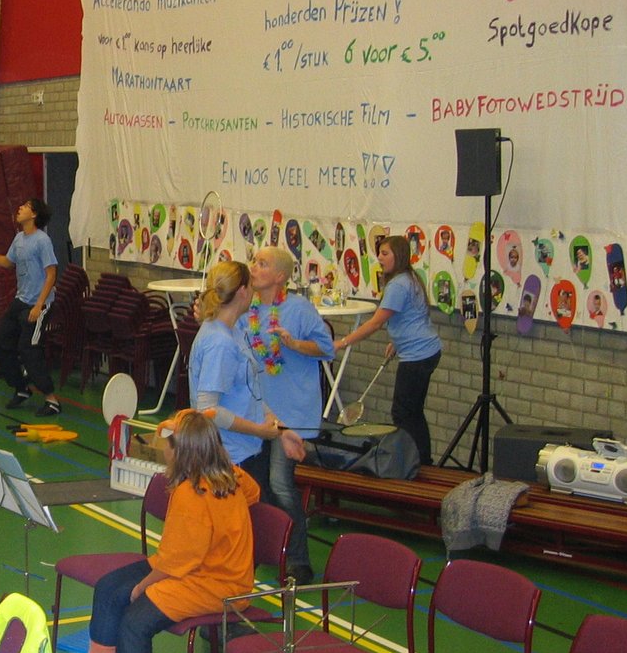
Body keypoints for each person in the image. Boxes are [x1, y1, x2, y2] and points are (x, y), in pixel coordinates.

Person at [65, 409, 260, 653]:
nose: (163, 451)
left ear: (182, 452)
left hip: (216, 585)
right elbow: (254, 493)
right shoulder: (230, 475)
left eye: (167, 445)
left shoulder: (191, 492)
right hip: (198, 568)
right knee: (109, 588)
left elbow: (177, 561)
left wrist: (143, 585)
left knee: (134, 622)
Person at [244, 246, 327, 585]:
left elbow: (327, 348)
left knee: (280, 484)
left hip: (291, 411)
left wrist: (294, 345)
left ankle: (298, 559)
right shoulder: (247, 309)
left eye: (262, 264)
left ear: (280, 276)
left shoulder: (298, 309)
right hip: (259, 410)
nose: (254, 267)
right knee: (258, 484)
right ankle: (269, 548)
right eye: (254, 261)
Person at [188, 260, 306, 475]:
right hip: (229, 458)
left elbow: (250, 392)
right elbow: (208, 410)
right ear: (243, 291)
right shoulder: (220, 342)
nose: (254, 292)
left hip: (245, 450)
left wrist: (279, 427)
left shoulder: (234, 332)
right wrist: (258, 430)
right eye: (251, 286)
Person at [334, 234, 442, 464]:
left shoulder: (398, 285)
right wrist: (397, 342)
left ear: (398, 256)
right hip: (426, 351)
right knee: (412, 412)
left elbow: (375, 323)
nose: (380, 258)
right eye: (379, 253)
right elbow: (412, 315)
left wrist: (343, 342)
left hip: (418, 356)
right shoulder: (409, 278)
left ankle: (418, 462)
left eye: (385, 254)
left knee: (403, 413)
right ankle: (422, 461)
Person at [0, 197, 61, 416]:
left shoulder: (42, 241)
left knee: (29, 350)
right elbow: (7, 262)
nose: (20, 208)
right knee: (0, 345)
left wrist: (39, 306)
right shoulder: (19, 238)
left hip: (38, 305)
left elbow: (51, 273)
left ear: (34, 214)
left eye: (25, 206)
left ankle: (52, 400)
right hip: (21, 301)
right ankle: (21, 388)